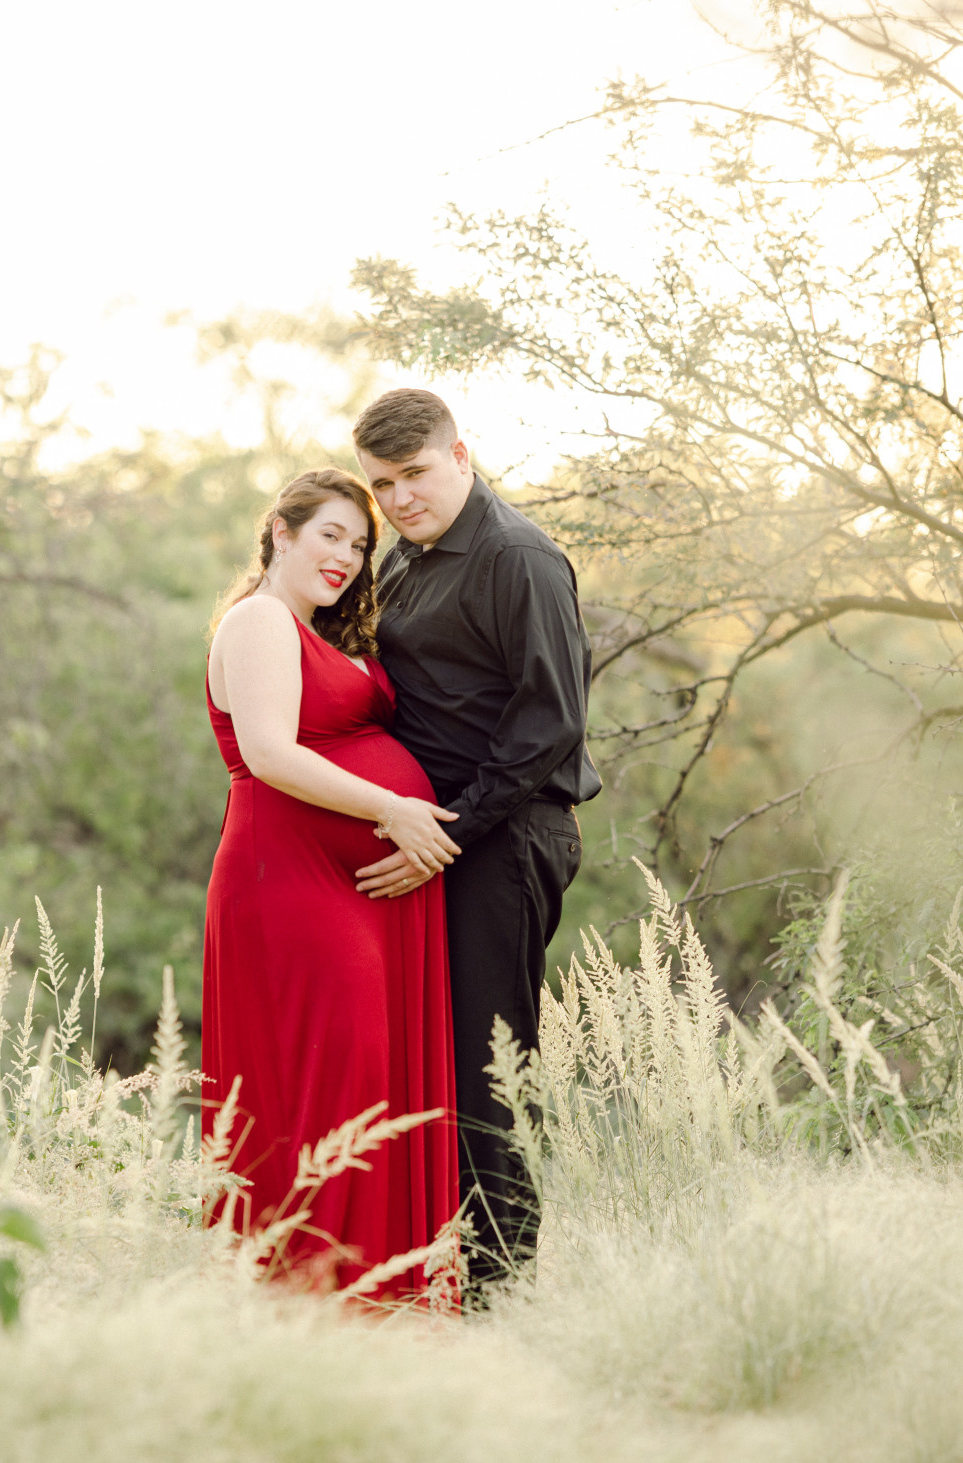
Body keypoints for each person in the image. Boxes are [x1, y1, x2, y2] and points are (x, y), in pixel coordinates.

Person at [351, 389, 601, 1293]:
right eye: (382, 485)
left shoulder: (516, 557)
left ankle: (503, 1292)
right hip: (438, 842)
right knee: (428, 1064)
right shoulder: (405, 559)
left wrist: (444, 833)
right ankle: (431, 1280)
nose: (399, 498)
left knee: (489, 1070)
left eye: (413, 473)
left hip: (501, 838)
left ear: (460, 455)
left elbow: (549, 722)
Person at [201, 467, 460, 1298]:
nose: (346, 556)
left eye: (359, 544)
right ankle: (320, 1304)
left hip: (359, 892)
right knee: (330, 1085)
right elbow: (270, 753)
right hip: (290, 882)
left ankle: (382, 1303)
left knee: (370, 1084)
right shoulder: (258, 619)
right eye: (330, 535)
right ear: (281, 531)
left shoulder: (318, 633)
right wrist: (395, 809)